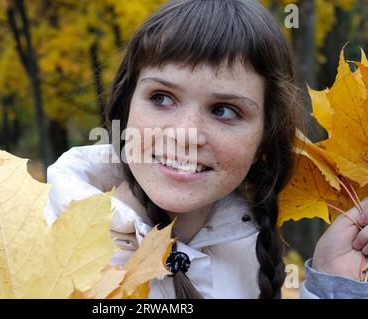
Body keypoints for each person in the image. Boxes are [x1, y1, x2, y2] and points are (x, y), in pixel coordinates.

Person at [44, 0, 368, 299]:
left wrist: (331, 284)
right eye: (161, 98)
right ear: (125, 107)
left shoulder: (249, 250)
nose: (186, 135)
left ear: (263, 141)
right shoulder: (34, 251)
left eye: (224, 110)